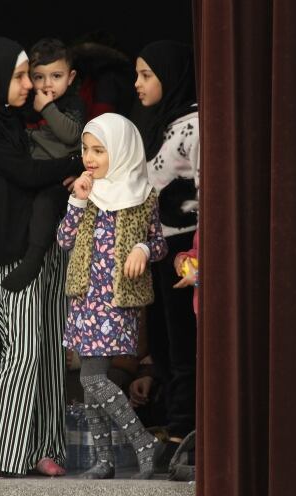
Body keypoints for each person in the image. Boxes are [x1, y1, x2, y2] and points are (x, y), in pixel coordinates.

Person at [0, 36, 83, 479]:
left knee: (47, 350)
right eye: (19, 76)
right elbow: (25, 172)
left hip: (43, 244)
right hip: (12, 247)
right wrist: (78, 162)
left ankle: (45, 447)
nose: (29, 85)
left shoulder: (7, 120)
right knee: (22, 349)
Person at [57, 112, 168, 479]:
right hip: (86, 299)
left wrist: (143, 249)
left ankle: (143, 442)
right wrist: (76, 202)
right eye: (86, 149)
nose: (89, 157)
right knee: (91, 385)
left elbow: (159, 243)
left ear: (120, 151)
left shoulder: (143, 195)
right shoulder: (87, 192)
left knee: (92, 380)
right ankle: (103, 461)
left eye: (99, 150)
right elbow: (63, 240)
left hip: (117, 300)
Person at [129, 39, 200, 464]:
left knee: (184, 346)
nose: (137, 84)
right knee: (163, 345)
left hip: (185, 251)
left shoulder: (192, 125)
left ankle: (183, 432)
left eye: (146, 75)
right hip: (159, 247)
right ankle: (177, 427)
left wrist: (199, 257)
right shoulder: (164, 123)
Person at [0, 37, 85, 292]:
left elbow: (72, 135)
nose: (48, 84)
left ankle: (34, 259)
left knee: (45, 204)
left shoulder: (72, 104)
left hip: (60, 177)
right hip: (33, 175)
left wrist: (47, 108)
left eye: (56, 76)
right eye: (39, 77)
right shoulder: (25, 106)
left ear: (70, 78)